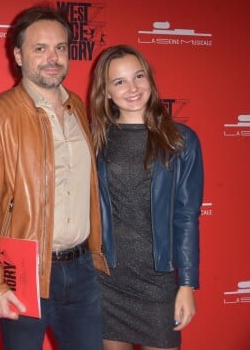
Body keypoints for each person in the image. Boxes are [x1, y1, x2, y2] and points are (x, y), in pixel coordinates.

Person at [0, 4, 109, 350]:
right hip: (24, 274)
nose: (53, 58)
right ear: (18, 54)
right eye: (40, 48)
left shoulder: (77, 106)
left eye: (60, 48)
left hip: (82, 271)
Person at [89, 45, 203, 350]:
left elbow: (186, 216)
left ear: (150, 79)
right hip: (108, 279)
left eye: (138, 76)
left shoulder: (180, 140)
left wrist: (187, 284)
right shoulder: (95, 139)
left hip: (158, 280)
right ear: (106, 92)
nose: (133, 88)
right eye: (120, 82)